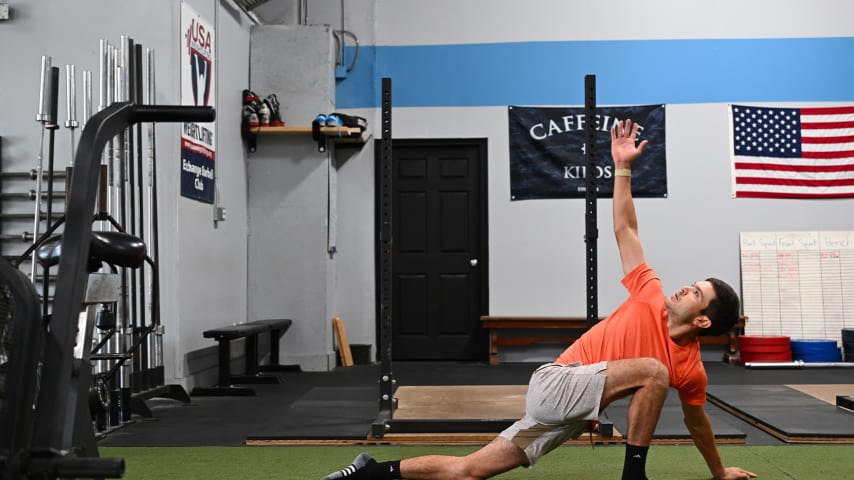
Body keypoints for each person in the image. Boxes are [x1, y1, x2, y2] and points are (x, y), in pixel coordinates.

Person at [320, 119, 757, 480]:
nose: (685, 288)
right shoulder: (649, 293)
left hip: (569, 415)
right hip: (557, 384)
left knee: (468, 470)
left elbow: (697, 422)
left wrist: (718, 472)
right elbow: (627, 230)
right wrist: (622, 168)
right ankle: (634, 474)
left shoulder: (692, 369)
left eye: (696, 293)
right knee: (653, 370)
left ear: (702, 321)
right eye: (692, 283)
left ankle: (371, 472)